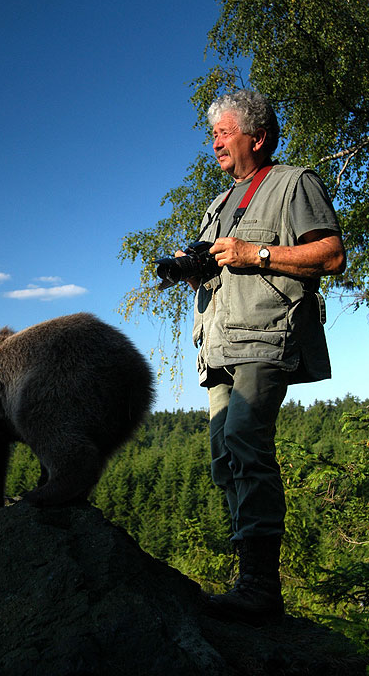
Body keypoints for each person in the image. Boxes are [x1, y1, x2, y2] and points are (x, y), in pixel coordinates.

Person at [179, 89, 345, 625]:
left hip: (267, 336)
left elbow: (331, 255)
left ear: (260, 137)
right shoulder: (218, 204)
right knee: (223, 457)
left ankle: (259, 588)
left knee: (245, 440)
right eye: (213, 136)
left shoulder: (294, 183)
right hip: (219, 344)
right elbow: (216, 267)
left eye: (224, 133)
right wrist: (189, 264)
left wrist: (257, 253)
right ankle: (247, 578)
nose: (215, 144)